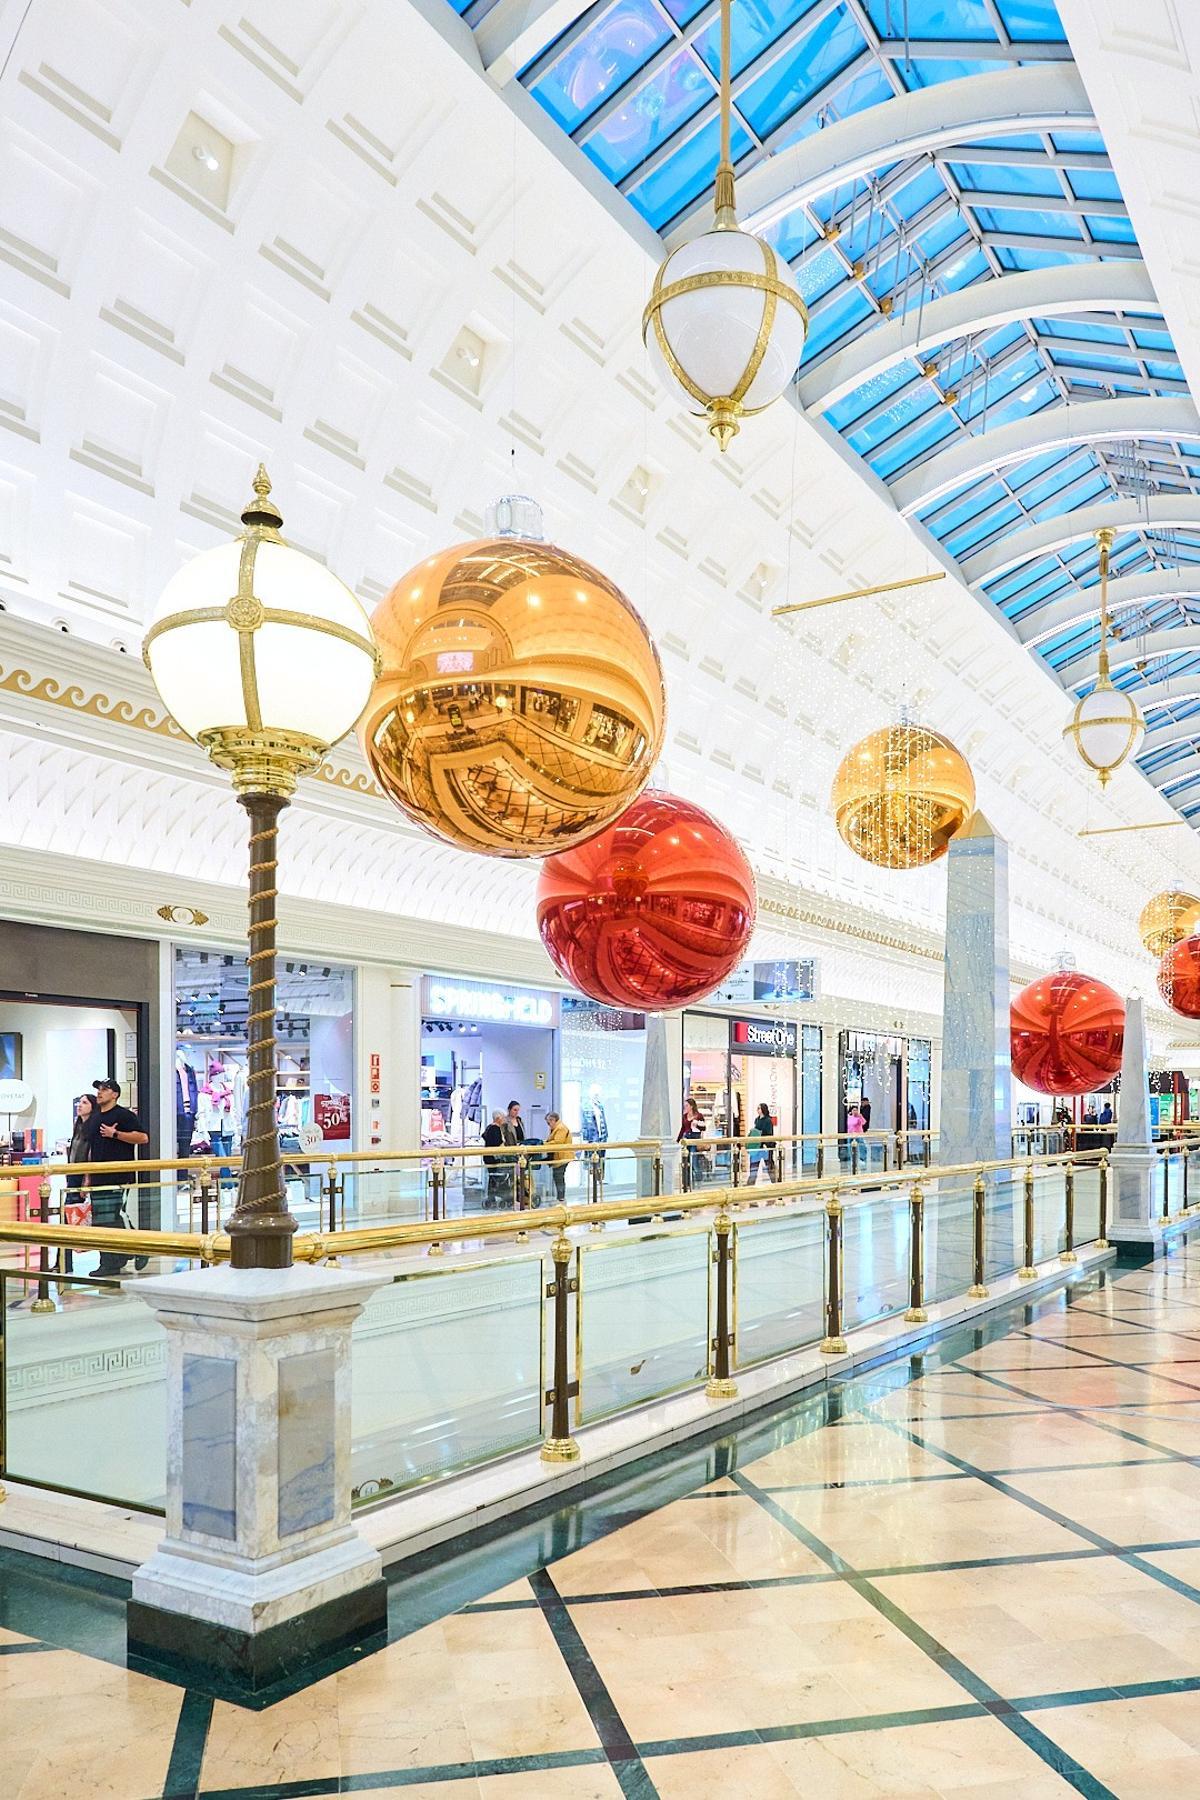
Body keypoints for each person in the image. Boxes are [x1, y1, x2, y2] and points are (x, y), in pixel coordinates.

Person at [89, 1077, 149, 1279]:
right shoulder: (95, 1118)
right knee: (103, 1219)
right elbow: (92, 1149)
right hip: (98, 1177)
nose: (100, 1092)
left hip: (118, 1175)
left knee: (112, 1216)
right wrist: (87, 1177)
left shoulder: (124, 1115)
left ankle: (127, 1253)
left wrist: (116, 1134)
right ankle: (118, 1256)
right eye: (99, 1089)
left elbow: (142, 1138)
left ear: (114, 1094)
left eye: (104, 1089)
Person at [59, 1093, 95, 1274]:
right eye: (79, 1102)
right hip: (73, 1174)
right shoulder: (78, 1125)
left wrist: (86, 1178)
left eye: (84, 1102)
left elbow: (90, 1153)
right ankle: (63, 1261)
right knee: (66, 1217)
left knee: (70, 1216)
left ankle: (65, 1260)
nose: (79, 1105)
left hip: (81, 1176)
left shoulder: (92, 1126)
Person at [482, 1111, 510, 1209]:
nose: (504, 1120)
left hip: (488, 1157)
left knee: (492, 1178)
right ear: (498, 1118)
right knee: (498, 1177)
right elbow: (496, 1143)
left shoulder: (489, 1127)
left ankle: (492, 1197)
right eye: (503, 1118)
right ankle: (501, 1196)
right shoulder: (495, 1129)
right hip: (494, 1158)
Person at [544, 1112, 573, 1204]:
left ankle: (561, 1198)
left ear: (553, 1120)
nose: (548, 1125)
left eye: (549, 1123)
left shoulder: (560, 1128)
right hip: (559, 1157)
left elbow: (557, 1142)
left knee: (559, 1176)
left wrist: (544, 1144)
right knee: (558, 1176)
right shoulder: (557, 1128)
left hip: (562, 1157)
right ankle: (560, 1197)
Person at [677, 1097, 705, 1190]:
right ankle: (686, 1183)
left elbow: (703, 1128)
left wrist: (696, 1124)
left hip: (695, 1138)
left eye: (687, 1106)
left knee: (694, 1161)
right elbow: (683, 1129)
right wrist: (678, 1140)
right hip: (686, 1138)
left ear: (691, 1106)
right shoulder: (685, 1116)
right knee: (686, 1161)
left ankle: (698, 1181)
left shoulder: (699, 1116)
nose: (685, 1107)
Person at [748, 1101, 775, 1183]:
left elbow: (769, 1133)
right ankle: (750, 1184)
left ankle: (775, 1183)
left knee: (769, 1167)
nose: (757, 1110)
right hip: (757, 1146)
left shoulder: (768, 1121)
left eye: (759, 1108)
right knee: (753, 1166)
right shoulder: (757, 1120)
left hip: (765, 1146)